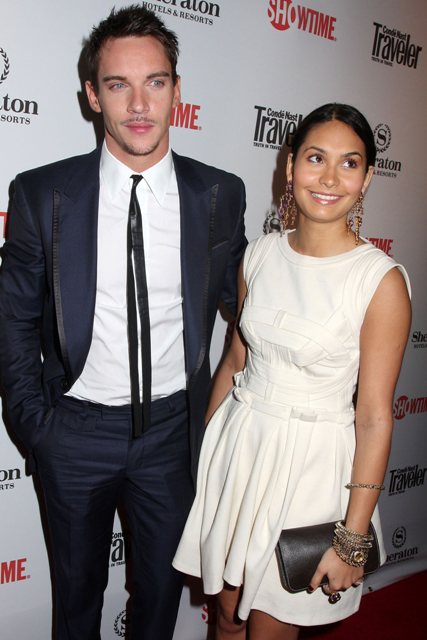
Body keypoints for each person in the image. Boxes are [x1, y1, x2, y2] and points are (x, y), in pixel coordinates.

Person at [0, 5, 246, 640]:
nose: (139, 105)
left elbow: (249, 307)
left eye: (155, 82)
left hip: (171, 435)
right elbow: (14, 319)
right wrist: (38, 427)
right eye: (118, 85)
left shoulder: (218, 195)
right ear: (93, 95)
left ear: (177, 91)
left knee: (160, 600)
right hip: (74, 431)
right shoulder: (42, 194)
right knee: (76, 600)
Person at [173, 103, 411, 639]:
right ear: (290, 166)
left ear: (368, 178)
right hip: (241, 453)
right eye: (316, 158)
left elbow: (374, 417)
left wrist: (352, 539)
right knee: (227, 619)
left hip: (312, 472)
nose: (329, 178)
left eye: (349, 163)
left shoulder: (380, 281)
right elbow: (236, 360)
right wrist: (208, 460)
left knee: (270, 629)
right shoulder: (259, 255)